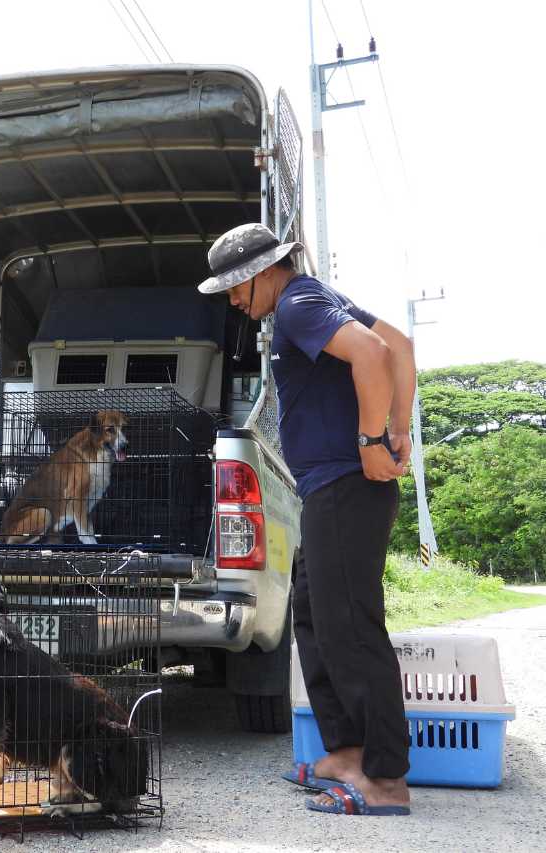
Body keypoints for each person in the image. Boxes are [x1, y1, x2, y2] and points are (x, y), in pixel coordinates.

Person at [198, 223, 416, 817]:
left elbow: (377, 352)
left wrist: (377, 436)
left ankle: (384, 779)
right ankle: (346, 752)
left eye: (236, 288)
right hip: (329, 489)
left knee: (349, 623)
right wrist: (399, 426)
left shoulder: (297, 304)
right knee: (314, 614)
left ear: (264, 270)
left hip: (348, 485)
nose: (234, 301)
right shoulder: (314, 300)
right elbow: (402, 342)